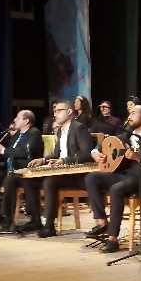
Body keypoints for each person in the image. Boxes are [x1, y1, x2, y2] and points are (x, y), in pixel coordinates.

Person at [84, 105, 141, 253]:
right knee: (92, 178)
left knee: (116, 189)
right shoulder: (128, 133)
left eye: (133, 113)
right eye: (129, 113)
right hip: (128, 175)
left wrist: (138, 157)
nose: (129, 117)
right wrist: (95, 152)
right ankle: (102, 222)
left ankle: (112, 239)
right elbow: (107, 142)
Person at [21, 99, 94, 237]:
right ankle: (35, 219)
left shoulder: (79, 128)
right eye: (55, 111)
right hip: (60, 171)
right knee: (29, 179)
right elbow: (57, 155)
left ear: (69, 111)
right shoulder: (60, 130)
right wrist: (43, 160)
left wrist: (65, 160)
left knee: (50, 181)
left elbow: (86, 153)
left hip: (76, 175)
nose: (55, 114)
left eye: (59, 111)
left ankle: (49, 225)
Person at [0, 110, 44, 228]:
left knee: (9, 179)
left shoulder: (34, 133)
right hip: (11, 170)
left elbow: (25, 153)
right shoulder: (17, 135)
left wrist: (3, 150)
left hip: (24, 171)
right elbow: (10, 153)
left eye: (18, 117)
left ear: (26, 121)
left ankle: (8, 218)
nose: (15, 120)